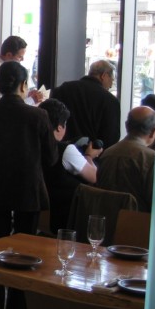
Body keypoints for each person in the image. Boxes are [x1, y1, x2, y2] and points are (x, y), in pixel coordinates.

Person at [0, 61, 57, 309]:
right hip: (27, 192)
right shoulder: (38, 117)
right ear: (23, 85)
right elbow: (51, 158)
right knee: (24, 254)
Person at [39, 98, 102, 233]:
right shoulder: (66, 150)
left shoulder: (31, 145)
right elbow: (93, 177)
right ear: (60, 127)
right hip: (64, 218)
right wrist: (89, 156)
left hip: (38, 214)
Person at [97, 106, 155, 213]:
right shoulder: (152, 159)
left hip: (106, 222)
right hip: (140, 226)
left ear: (126, 126)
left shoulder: (106, 153)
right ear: (154, 131)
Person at [50, 59, 121, 148]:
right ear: (104, 76)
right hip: (91, 154)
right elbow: (111, 138)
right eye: (112, 80)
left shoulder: (64, 88)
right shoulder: (110, 101)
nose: (111, 85)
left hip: (60, 150)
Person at [0, 35, 35, 109]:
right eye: (20, 57)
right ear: (8, 55)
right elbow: (5, 106)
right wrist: (31, 100)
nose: (22, 60)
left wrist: (26, 94)